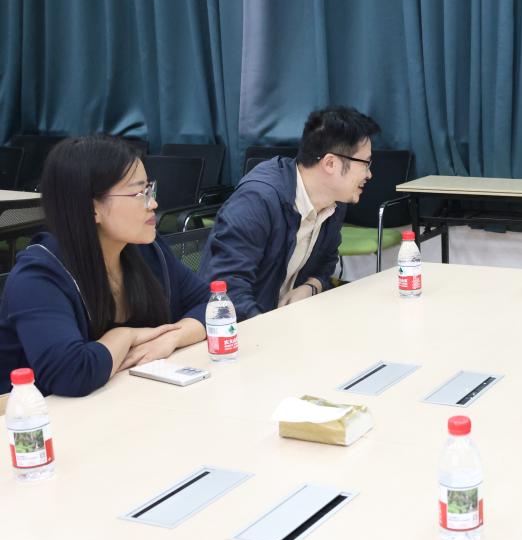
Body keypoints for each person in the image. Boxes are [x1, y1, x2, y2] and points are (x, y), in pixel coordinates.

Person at [0, 135, 208, 396]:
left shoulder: (146, 251)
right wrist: (125, 336)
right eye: (139, 193)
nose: (153, 203)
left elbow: (216, 304)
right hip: (38, 418)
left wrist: (172, 337)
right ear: (92, 208)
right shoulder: (37, 277)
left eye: (150, 189)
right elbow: (70, 374)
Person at [200, 105, 380, 320]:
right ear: (330, 163)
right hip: (243, 329)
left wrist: (311, 287)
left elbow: (326, 262)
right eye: (365, 163)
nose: (369, 174)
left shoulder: (333, 201)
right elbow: (226, 291)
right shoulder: (257, 201)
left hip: (288, 320)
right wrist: (271, 329)